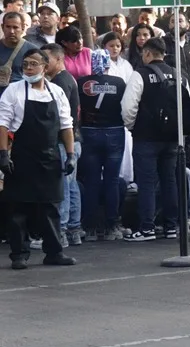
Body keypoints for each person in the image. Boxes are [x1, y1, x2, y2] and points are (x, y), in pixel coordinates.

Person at [0, 48, 76, 269]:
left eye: (33, 64)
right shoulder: (13, 91)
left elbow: (66, 124)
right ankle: (19, 254)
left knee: (50, 207)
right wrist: (3, 154)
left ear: (45, 67)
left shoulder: (57, 92)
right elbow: (3, 124)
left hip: (50, 157)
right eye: (25, 64)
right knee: (18, 209)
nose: (29, 68)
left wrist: (70, 155)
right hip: (21, 157)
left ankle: (54, 252)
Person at [120, 38, 183, 242]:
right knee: (170, 180)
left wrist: (132, 127)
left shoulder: (141, 74)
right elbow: (186, 103)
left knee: (146, 182)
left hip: (146, 137)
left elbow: (128, 107)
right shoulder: (177, 73)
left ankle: (147, 227)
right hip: (172, 137)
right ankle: (171, 226)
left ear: (147, 53)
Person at [76, 50, 126, 241]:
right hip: (114, 130)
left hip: (89, 131)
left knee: (92, 180)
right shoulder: (119, 82)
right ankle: (112, 225)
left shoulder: (81, 82)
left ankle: (90, 227)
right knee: (112, 180)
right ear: (107, 63)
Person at [42, 43, 82, 245]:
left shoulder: (59, 83)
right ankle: (74, 229)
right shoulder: (67, 79)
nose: (42, 63)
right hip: (73, 141)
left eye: (46, 59)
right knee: (71, 186)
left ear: (58, 59)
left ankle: (62, 232)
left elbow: (60, 118)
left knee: (63, 188)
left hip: (64, 142)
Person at [0, 12, 38, 97]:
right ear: (2, 27)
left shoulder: (32, 51)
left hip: (21, 98)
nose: (11, 31)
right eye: (8, 27)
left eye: (15, 27)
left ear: (23, 28)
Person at [164, 12, 190, 95]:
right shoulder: (163, 45)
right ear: (169, 25)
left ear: (187, 25)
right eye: (173, 21)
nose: (176, 24)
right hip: (171, 96)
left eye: (180, 21)